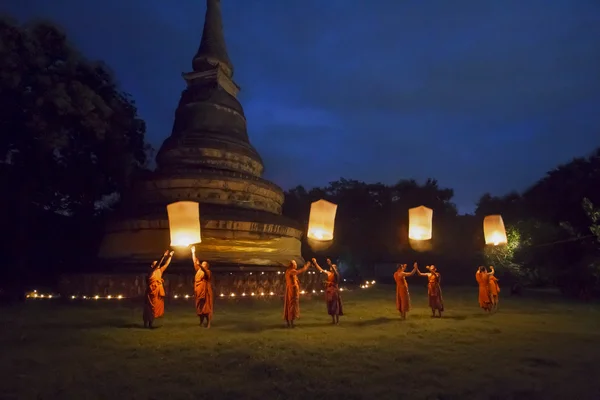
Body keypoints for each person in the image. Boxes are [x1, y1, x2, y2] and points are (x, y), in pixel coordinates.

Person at [143, 250, 174, 329]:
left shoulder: (159, 271)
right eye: (156, 264)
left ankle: (150, 324)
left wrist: (170, 256)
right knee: (149, 308)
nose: (158, 265)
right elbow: (158, 264)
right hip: (151, 292)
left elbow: (166, 264)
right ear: (152, 266)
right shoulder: (151, 272)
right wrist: (163, 256)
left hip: (157, 292)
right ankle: (146, 323)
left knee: (154, 308)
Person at [312, 257, 343, 324]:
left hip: (334, 291)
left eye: (333, 267)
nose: (331, 268)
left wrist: (330, 264)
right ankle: (333, 320)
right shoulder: (329, 273)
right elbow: (321, 269)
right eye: (331, 267)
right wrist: (315, 263)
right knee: (330, 305)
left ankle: (337, 320)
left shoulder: (336, 274)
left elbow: (335, 272)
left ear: (335, 268)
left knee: (335, 305)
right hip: (329, 291)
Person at [283, 260, 311, 328]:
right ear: (292, 265)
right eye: (295, 263)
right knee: (292, 305)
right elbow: (300, 271)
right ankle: (291, 323)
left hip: (291, 289)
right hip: (292, 290)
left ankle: (289, 322)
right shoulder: (291, 271)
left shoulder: (288, 271)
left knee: (289, 304)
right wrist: (306, 265)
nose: (296, 265)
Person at [192, 245, 213, 328]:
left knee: (206, 307)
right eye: (202, 264)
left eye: (204, 264)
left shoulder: (207, 271)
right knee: (200, 307)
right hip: (198, 290)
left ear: (206, 266)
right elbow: (195, 261)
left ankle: (208, 323)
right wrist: (193, 252)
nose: (202, 265)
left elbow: (204, 270)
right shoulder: (199, 270)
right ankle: (201, 322)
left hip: (206, 292)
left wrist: (200, 265)